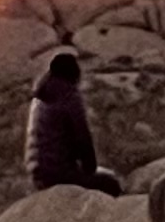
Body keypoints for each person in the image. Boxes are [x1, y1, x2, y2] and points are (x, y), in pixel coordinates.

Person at [24, 50, 112, 193]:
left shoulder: (40, 96)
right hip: (60, 174)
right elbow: (82, 137)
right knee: (111, 183)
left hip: (37, 173)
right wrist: (90, 169)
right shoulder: (69, 95)